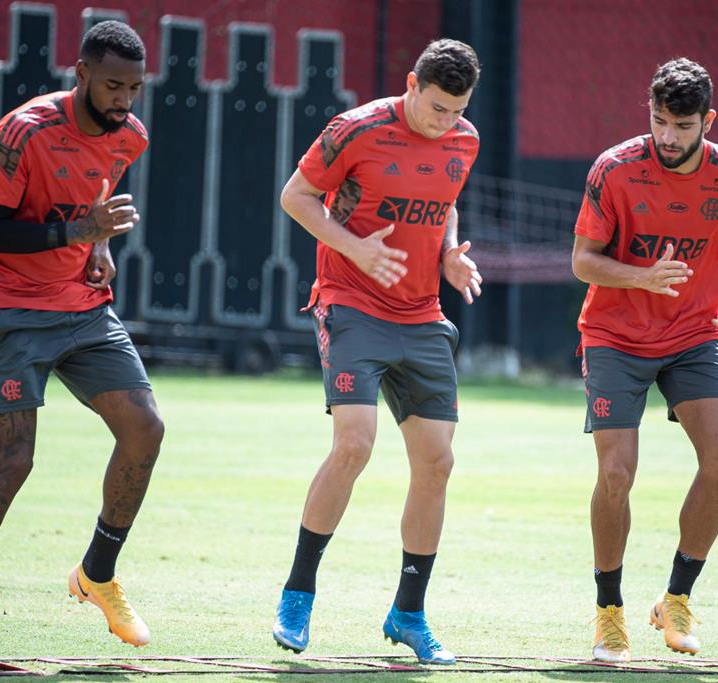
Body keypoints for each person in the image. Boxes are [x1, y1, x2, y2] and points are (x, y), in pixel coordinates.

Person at [0, 21, 164, 662]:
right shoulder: (23, 131)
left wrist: (100, 245)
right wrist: (79, 230)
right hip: (8, 308)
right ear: (79, 73)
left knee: (145, 429)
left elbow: (95, 199)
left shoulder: (129, 136)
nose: (124, 100)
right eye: (113, 85)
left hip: (83, 308)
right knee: (12, 462)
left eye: (134, 88)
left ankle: (98, 575)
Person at [271, 39, 483, 665]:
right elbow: (296, 197)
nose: (446, 123)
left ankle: (409, 613)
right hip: (351, 301)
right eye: (437, 108)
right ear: (412, 82)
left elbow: (445, 200)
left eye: (457, 111)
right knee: (355, 444)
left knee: (438, 463)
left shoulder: (463, 140)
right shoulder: (355, 129)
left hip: (421, 314)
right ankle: (298, 594)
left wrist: (447, 252)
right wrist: (356, 248)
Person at [572, 57, 718, 662]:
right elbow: (583, 261)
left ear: (708, 122)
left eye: (682, 125)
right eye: (659, 120)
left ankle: (676, 598)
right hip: (614, 335)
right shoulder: (614, 169)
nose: (667, 137)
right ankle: (608, 612)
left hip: (694, 335)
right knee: (616, 474)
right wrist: (642, 276)